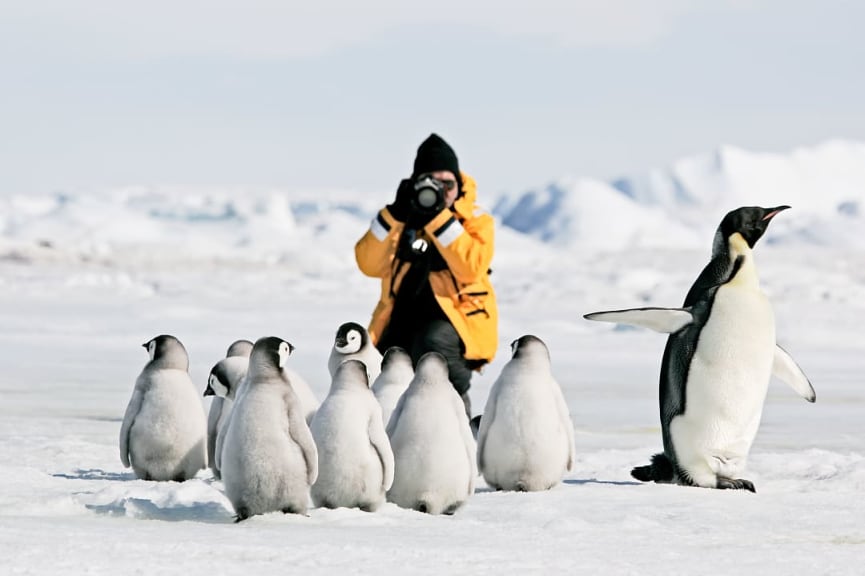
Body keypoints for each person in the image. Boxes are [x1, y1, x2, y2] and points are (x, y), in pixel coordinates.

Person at [355, 133, 498, 419]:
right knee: (392, 365)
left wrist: (438, 219)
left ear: (459, 185)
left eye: (449, 183)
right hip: (402, 319)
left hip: (457, 323)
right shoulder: (401, 220)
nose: (442, 190)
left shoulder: (475, 222)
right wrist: (394, 213)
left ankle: (457, 422)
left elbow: (472, 266)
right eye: (433, 182)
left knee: (433, 344)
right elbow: (368, 263)